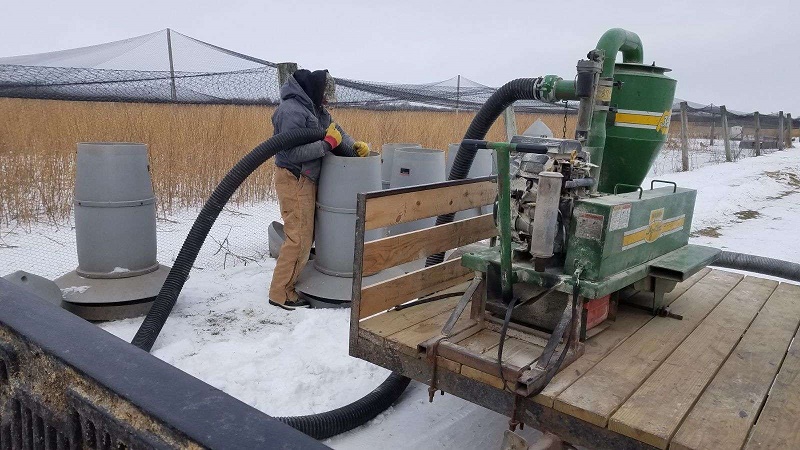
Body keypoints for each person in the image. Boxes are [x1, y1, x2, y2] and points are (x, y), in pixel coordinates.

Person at [268, 69, 370, 310]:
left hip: (306, 178)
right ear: (316, 90)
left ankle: (285, 285)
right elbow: (291, 151)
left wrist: (353, 146)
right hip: (294, 178)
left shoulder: (315, 108)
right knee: (299, 237)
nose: (327, 100)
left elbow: (336, 130)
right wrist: (326, 145)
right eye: (325, 95)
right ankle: (280, 293)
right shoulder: (291, 110)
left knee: (304, 235)